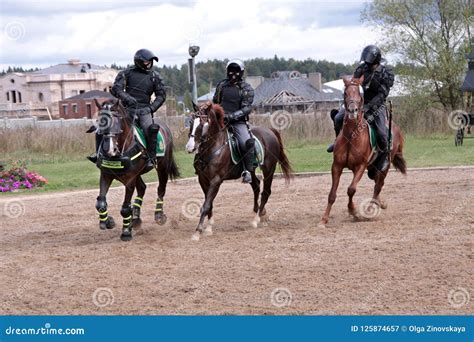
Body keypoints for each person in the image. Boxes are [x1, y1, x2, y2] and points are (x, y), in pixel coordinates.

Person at [87, 49, 166, 167]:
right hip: (125, 110)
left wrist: (151, 108)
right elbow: (116, 89)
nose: (149, 64)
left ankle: (151, 157)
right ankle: (98, 155)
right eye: (146, 62)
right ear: (139, 61)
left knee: (150, 129)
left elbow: (161, 95)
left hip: (145, 110)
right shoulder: (126, 73)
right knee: (103, 125)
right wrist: (127, 98)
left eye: (150, 61)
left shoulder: (155, 76)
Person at [327, 45, 394, 172]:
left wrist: (371, 106)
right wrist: (352, 100)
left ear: (375, 59)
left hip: (377, 106)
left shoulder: (386, 73)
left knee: (381, 133)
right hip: (358, 102)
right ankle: (337, 141)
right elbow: (353, 84)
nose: (366, 63)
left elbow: (382, 94)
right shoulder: (362, 69)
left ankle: (384, 156)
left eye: (368, 60)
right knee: (338, 118)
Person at [213, 59, 255, 183]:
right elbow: (216, 101)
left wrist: (231, 116)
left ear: (241, 72)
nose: (233, 74)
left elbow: (247, 108)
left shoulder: (247, 88)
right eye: (231, 71)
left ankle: (247, 171)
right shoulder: (221, 85)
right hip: (220, 121)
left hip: (238, 122)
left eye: (236, 71)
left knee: (245, 142)